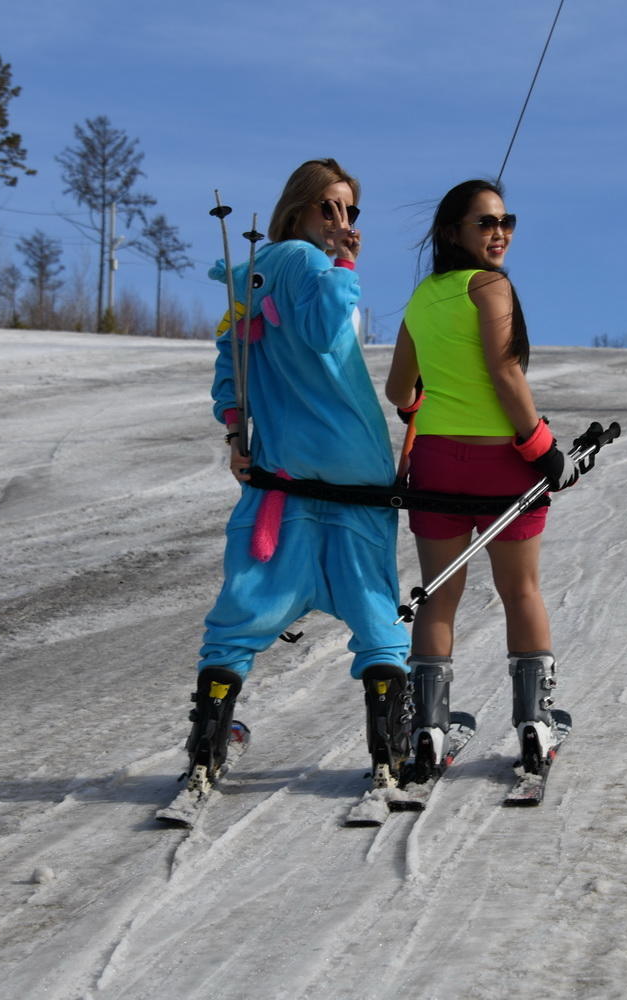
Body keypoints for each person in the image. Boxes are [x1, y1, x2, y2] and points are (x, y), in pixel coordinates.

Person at [184, 158, 411, 792]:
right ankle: (389, 746)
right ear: (299, 210)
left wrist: (236, 435)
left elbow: (230, 367)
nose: (341, 222)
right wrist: (344, 264)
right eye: (329, 209)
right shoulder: (312, 264)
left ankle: (208, 743)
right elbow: (317, 330)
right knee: (373, 611)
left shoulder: (247, 280)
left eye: (350, 211)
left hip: (281, 472)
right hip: (354, 469)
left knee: (246, 608)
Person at [385, 179, 585, 779]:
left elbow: (399, 390)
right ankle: (534, 724)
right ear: (453, 232)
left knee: (437, 595)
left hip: (438, 464)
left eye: (506, 221)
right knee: (520, 592)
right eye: (485, 223)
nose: (499, 233)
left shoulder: (423, 296)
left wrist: (427, 401)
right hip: (504, 462)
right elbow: (505, 372)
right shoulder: (491, 285)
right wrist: (542, 446)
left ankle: (428, 729)